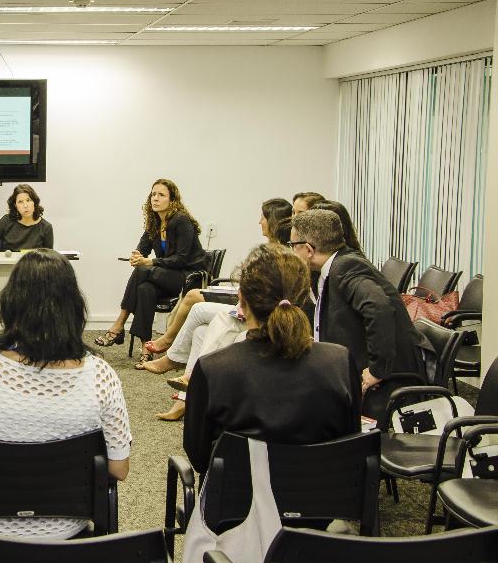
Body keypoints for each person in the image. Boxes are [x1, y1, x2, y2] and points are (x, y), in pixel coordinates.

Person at [0, 249, 131, 539]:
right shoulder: (101, 376)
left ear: (11, 301)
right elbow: (118, 469)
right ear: (73, 306)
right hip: (66, 542)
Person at [183, 244, 361, 472]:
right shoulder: (340, 362)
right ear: (305, 297)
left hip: (242, 494)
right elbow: (350, 443)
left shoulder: (212, 370)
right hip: (324, 492)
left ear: (241, 299)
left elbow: (199, 458)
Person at [289, 209, 433, 421]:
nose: (291, 250)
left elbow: (378, 307)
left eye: (293, 245)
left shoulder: (347, 267)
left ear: (309, 249)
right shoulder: (335, 266)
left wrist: (377, 370)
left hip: (391, 384)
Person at [142, 197, 293, 362]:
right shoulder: (273, 249)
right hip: (244, 298)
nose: (259, 222)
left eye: (263, 217)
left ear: (273, 221)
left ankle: (168, 349)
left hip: (249, 304)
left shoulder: (282, 254)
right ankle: (188, 374)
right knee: (199, 330)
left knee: (194, 303)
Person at [95, 179, 206, 357]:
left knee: (142, 270)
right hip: (166, 276)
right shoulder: (155, 222)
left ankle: (119, 324)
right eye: (153, 194)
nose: (155, 198)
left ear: (172, 200)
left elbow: (181, 259)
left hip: (188, 278)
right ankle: (146, 349)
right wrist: (136, 255)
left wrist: (149, 262)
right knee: (145, 289)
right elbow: (142, 248)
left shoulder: (181, 221)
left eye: (161, 195)